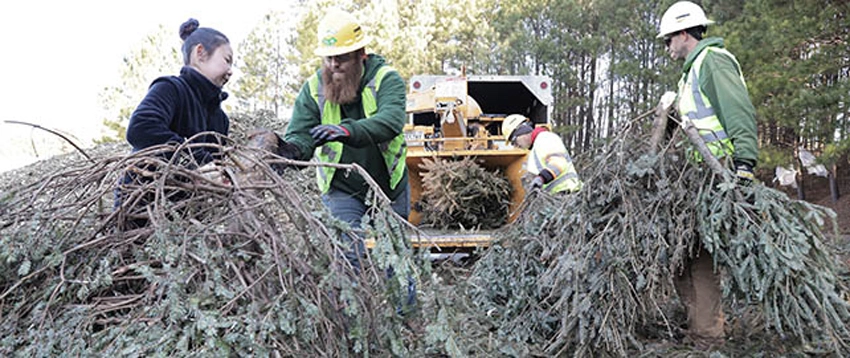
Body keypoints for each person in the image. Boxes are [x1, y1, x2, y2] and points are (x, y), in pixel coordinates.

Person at [657, 1, 759, 348]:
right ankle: (698, 327)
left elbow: (738, 110)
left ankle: (708, 337)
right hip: (694, 179)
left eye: (668, 40)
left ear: (684, 33)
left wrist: (744, 166)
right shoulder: (691, 72)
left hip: (717, 175)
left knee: (700, 257)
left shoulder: (712, 61)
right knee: (683, 253)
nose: (666, 47)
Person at [282, 8, 409, 272]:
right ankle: (354, 313)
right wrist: (290, 152)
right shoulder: (314, 88)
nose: (333, 65)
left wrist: (347, 131)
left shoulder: (387, 79)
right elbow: (301, 133)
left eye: (341, 58)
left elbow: (390, 121)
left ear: (361, 55)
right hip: (341, 187)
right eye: (328, 58)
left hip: (387, 187)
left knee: (396, 261)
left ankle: (404, 313)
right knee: (348, 257)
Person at [115, 18, 233, 227]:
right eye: (227, 60)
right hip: (141, 210)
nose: (231, 71)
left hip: (187, 220)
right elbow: (142, 128)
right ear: (200, 53)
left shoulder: (220, 119)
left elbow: (214, 166)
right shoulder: (170, 88)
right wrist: (196, 162)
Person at [501, 114, 582, 194]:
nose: (515, 146)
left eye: (514, 141)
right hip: (556, 198)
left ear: (522, 131)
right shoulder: (534, 150)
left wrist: (541, 178)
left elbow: (559, 163)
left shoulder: (545, 138)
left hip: (568, 194)